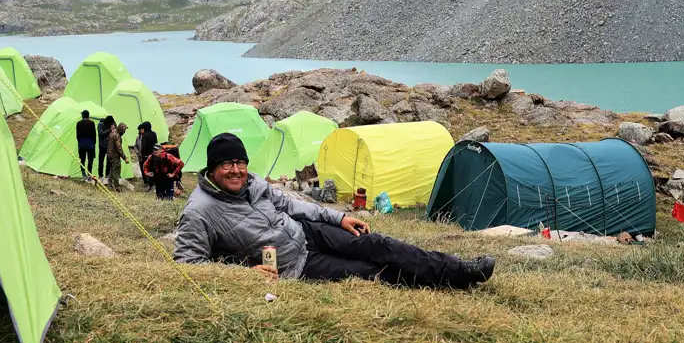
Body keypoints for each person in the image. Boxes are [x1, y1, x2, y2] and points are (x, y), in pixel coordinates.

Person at [173, 133, 495, 289]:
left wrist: (337, 216)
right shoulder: (200, 211)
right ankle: (449, 283)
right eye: (227, 164)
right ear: (212, 169)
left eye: (240, 162)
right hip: (294, 265)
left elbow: (290, 204)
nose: (236, 170)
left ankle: (460, 268)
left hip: (306, 233)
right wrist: (247, 275)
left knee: (377, 244)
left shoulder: (253, 182)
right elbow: (190, 266)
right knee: (368, 271)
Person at [106, 122, 129, 192]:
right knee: (116, 170)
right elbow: (119, 148)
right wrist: (125, 158)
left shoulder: (113, 132)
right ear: (121, 130)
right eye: (124, 130)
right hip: (114, 155)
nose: (124, 132)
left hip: (109, 154)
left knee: (112, 170)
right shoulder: (116, 136)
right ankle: (117, 187)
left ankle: (110, 184)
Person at [75, 109, 96, 181]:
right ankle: (89, 175)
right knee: (90, 160)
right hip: (90, 143)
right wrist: (94, 143)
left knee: (82, 159)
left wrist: (79, 143)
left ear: (83, 115)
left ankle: (83, 174)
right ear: (88, 116)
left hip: (82, 143)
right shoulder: (92, 123)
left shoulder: (79, 123)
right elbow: (94, 135)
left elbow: (77, 135)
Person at [139, 121, 158, 189]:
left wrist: (142, 154)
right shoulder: (154, 134)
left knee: (147, 168)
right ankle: (155, 182)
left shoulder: (144, 135)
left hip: (146, 155)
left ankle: (150, 184)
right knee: (154, 168)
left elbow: (143, 146)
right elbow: (156, 144)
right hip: (154, 154)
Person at [96, 115, 115, 181]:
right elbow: (101, 133)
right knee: (101, 160)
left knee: (109, 160)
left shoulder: (112, 123)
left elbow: (116, 132)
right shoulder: (100, 124)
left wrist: (114, 129)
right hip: (102, 145)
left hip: (109, 145)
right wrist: (110, 129)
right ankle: (100, 175)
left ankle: (107, 174)